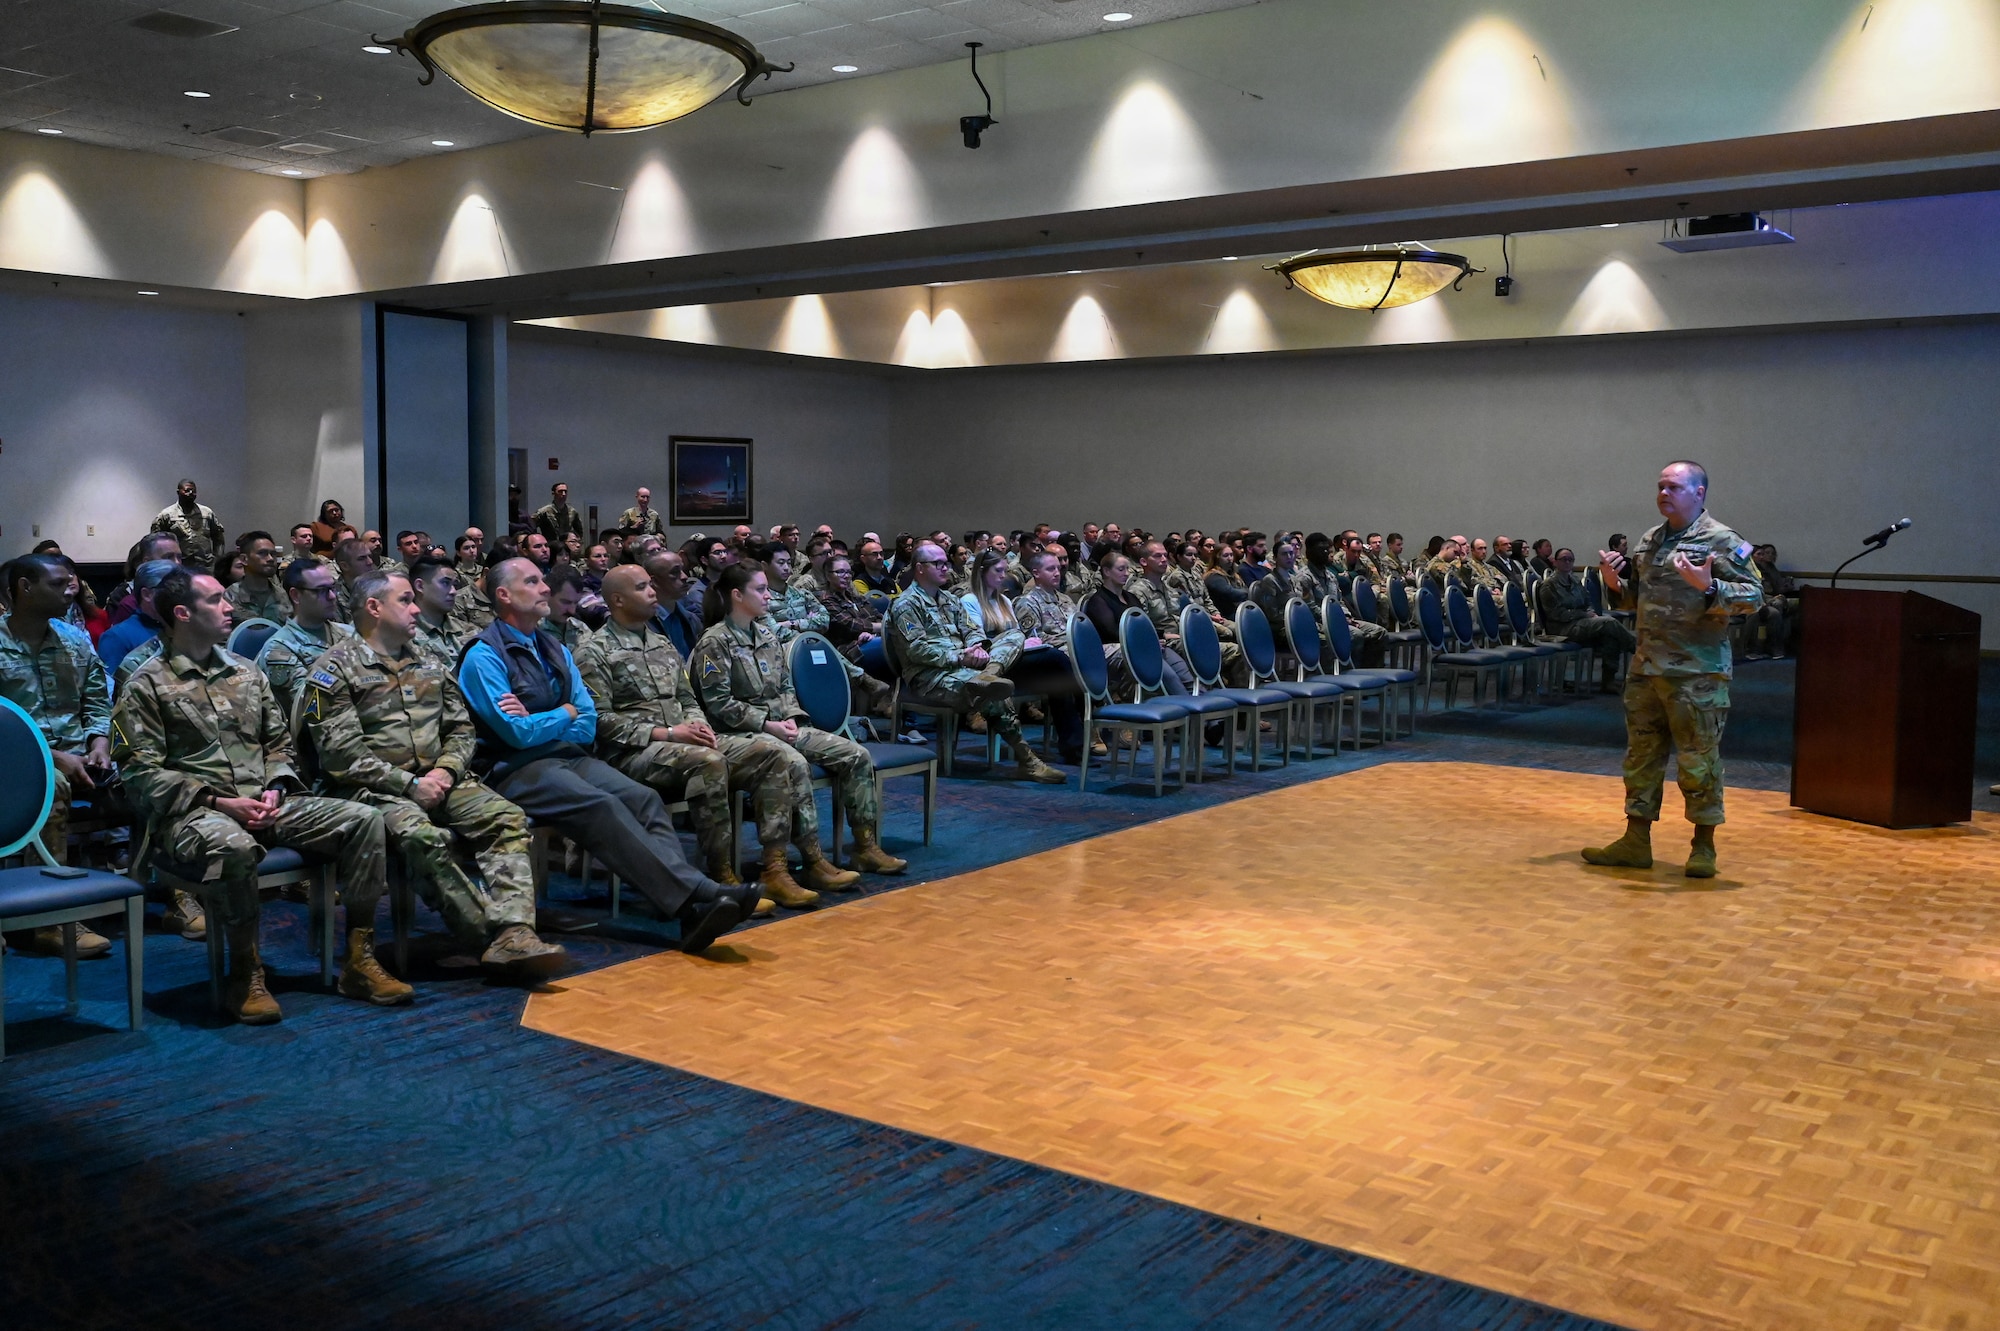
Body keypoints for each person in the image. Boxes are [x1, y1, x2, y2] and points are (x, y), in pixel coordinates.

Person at [115, 569, 398, 1025]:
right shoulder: (144, 683)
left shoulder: (246, 673)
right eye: (216, 601)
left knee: (364, 818)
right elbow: (137, 771)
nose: (229, 608)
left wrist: (276, 784)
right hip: (193, 814)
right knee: (234, 847)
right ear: (183, 614)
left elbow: (279, 744)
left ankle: (359, 959)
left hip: (264, 800)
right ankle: (245, 973)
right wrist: (219, 802)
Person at [458, 558, 757, 952]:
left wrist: (549, 718)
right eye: (532, 582)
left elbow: (586, 723)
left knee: (643, 799)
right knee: (599, 805)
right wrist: (562, 712)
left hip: (567, 755)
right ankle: (697, 894)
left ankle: (691, 914)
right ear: (504, 595)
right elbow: (515, 734)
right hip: (512, 768)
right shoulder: (483, 656)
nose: (545, 588)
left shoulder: (555, 648)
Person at [304, 569, 566, 981]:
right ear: (374, 607)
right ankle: (488, 937)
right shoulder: (333, 670)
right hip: (371, 791)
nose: (414, 608)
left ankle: (515, 931)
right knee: (419, 835)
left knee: (506, 818)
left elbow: (461, 728)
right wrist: (409, 784)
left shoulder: (428, 659)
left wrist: (445, 771)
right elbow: (340, 755)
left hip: (441, 780)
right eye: (405, 600)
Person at [581, 566, 811, 907]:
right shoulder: (593, 650)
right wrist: (671, 733)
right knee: (709, 762)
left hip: (683, 740)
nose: (652, 592)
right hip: (633, 752)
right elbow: (598, 720)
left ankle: (775, 870)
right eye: (642, 587)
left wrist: (697, 726)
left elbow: (687, 698)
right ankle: (721, 877)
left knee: (769, 753)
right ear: (617, 599)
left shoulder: (661, 643)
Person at [1583, 461, 1763, 880]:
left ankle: (1703, 846)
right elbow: (1639, 600)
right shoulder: (1650, 539)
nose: (1664, 493)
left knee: (1699, 761)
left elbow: (1754, 596)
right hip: (1647, 668)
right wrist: (1615, 584)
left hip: (1697, 673)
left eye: (1674, 487)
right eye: (1661, 486)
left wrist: (1711, 586)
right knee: (1641, 758)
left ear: (1699, 493)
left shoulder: (1723, 540)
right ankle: (1635, 841)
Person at [691, 563, 917, 871]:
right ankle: (807, 859)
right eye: (760, 590)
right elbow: (718, 704)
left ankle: (865, 846)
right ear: (736, 595)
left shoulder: (767, 636)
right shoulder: (715, 642)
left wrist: (792, 719)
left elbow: (785, 686)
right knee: (793, 763)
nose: (768, 596)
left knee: (855, 755)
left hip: (782, 725)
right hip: (741, 733)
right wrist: (767, 724)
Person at [0, 553, 140, 957]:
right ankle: (53, 917)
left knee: (151, 778)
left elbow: (98, 701)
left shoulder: (75, 640)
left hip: (84, 755)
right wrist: (53, 756)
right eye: (58, 584)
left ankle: (172, 892)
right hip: (17, 762)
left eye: (71, 581)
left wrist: (99, 744)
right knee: (52, 786)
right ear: (25, 588)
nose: (71, 589)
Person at [889, 544, 1066, 783]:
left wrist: (978, 648)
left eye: (946, 563)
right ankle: (1028, 761)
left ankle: (990, 673)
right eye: (938, 564)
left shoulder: (950, 599)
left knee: (1014, 636)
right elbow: (916, 651)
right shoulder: (906, 604)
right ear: (919, 568)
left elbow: (972, 630)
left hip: (966, 665)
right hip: (930, 676)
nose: (945, 568)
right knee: (994, 694)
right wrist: (960, 656)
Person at [255, 558, 358, 721]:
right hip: (320, 732)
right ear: (296, 596)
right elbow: (311, 709)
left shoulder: (348, 633)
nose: (332, 597)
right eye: (321, 590)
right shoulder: (280, 650)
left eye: (332, 588)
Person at [1536, 548, 1637, 688]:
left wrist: (1591, 614)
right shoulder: (1548, 585)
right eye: (1563, 559)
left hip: (1580, 624)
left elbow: (1587, 602)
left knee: (1610, 636)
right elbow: (1556, 614)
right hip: (1562, 628)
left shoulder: (1575, 581)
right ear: (1555, 562)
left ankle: (1608, 681)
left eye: (1570, 560)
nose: (1567, 562)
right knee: (1609, 622)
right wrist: (1584, 615)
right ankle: (1637, 648)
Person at [98, 559, 177, 680]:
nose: (180, 595)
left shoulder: (183, 628)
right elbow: (111, 691)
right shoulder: (117, 636)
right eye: (171, 589)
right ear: (147, 594)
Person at [151, 478, 225, 567]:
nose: (190, 493)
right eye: (187, 490)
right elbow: (155, 542)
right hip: (178, 566)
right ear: (178, 492)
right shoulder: (167, 515)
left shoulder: (207, 513)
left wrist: (218, 560)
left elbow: (218, 538)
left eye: (193, 491)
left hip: (205, 565)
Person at [645, 552, 705, 660]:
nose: (684, 577)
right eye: (675, 572)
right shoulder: (644, 625)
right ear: (654, 581)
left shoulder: (692, 619)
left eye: (683, 570)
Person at [406, 555, 464, 666]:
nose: (453, 591)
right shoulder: (403, 638)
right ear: (420, 586)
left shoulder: (469, 630)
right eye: (445, 583)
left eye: (454, 585)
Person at [1745, 544, 1800, 659]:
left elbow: (1773, 589)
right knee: (1757, 612)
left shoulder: (1766, 570)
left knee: (1775, 613)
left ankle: (1775, 648)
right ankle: (1752, 650)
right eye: (1759, 554)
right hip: (1750, 601)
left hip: (1766, 600)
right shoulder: (1746, 570)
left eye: (1763, 554)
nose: (1762, 557)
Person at [225, 530, 289, 626]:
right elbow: (220, 638)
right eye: (262, 553)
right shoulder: (229, 597)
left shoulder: (282, 595)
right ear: (244, 559)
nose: (271, 559)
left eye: (273, 554)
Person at [330, 536, 376, 625]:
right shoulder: (333, 596)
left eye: (369, 556)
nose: (370, 562)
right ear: (345, 566)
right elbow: (338, 632)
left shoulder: (379, 588)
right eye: (362, 558)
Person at [534, 483, 584, 550]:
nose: (563, 494)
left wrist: (575, 542)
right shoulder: (544, 512)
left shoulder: (572, 512)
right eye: (560, 491)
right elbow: (531, 526)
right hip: (550, 547)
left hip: (566, 548)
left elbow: (579, 531)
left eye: (565, 492)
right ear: (553, 493)